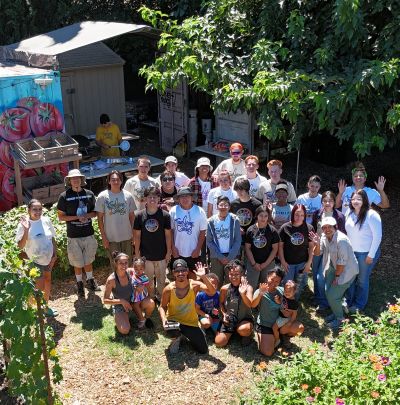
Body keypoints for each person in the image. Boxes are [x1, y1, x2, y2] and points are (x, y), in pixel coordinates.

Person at [310, 217, 359, 330]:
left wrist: (337, 277)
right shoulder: (323, 237)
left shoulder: (341, 240)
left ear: (335, 227)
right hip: (333, 267)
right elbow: (318, 254)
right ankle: (337, 310)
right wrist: (316, 244)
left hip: (346, 270)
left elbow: (342, 261)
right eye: (324, 227)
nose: (327, 229)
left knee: (332, 296)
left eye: (330, 227)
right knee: (328, 291)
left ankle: (340, 319)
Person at [57, 169, 100, 297]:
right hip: (73, 235)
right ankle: (79, 284)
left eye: (78, 178)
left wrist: (87, 215)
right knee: (77, 262)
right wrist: (76, 218)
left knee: (88, 260)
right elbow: (61, 217)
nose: (75, 180)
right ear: (69, 181)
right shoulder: (64, 196)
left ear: (81, 180)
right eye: (73, 178)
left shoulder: (89, 194)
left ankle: (91, 280)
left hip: (88, 233)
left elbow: (95, 213)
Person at [159, 259, 216, 354]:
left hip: (190, 323)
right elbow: (162, 306)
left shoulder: (194, 285)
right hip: (174, 321)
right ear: (173, 273)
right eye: (177, 271)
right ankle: (176, 338)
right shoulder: (168, 289)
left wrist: (203, 277)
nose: (180, 273)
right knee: (171, 330)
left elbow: (212, 292)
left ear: (187, 271)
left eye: (183, 270)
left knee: (203, 350)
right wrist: (164, 320)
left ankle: (185, 335)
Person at [16, 199, 58, 317]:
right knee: (38, 287)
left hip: (48, 259)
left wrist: (54, 255)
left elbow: (52, 238)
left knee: (48, 281)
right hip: (34, 261)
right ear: (29, 210)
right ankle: (35, 311)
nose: (38, 212)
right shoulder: (24, 224)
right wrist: (25, 230)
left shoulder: (46, 220)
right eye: (35, 209)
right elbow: (20, 246)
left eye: (40, 209)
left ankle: (45, 307)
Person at [252, 267, 304, 357]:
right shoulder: (260, 290)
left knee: (299, 328)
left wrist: (289, 312)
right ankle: (272, 338)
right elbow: (253, 305)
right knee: (268, 352)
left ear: (280, 282)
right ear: (267, 277)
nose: (273, 283)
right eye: (272, 279)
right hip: (265, 325)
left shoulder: (282, 290)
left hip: (280, 323)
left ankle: (284, 337)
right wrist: (260, 294)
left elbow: (292, 300)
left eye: (277, 281)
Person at [344, 189, 382, 313]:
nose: (355, 201)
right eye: (353, 199)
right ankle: (348, 301)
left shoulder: (371, 215)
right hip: (351, 252)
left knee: (362, 279)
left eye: (359, 199)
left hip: (366, 253)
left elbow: (378, 236)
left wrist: (371, 255)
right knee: (350, 278)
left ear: (365, 200)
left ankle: (359, 305)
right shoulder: (349, 212)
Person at [133, 187, 172, 301]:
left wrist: (168, 251)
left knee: (161, 279)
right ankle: (150, 297)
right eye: (149, 197)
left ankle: (161, 297)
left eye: (155, 197)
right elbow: (137, 236)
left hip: (161, 253)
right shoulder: (139, 215)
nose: (152, 199)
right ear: (145, 199)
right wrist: (137, 253)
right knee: (148, 279)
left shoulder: (165, 215)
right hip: (146, 255)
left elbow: (168, 235)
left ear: (159, 198)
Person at [311, 191, 346, 312]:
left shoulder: (339, 216)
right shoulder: (317, 213)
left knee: (322, 276)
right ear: (322, 202)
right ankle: (318, 297)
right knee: (315, 274)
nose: (327, 203)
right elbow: (313, 230)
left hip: (331, 249)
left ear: (334, 202)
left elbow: (342, 234)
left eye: (330, 201)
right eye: (325, 201)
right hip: (318, 247)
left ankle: (324, 301)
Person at [95, 170, 135, 266]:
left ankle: (127, 280)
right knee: (115, 264)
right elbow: (99, 219)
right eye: (113, 180)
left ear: (121, 181)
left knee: (127, 263)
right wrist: (103, 237)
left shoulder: (128, 196)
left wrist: (134, 234)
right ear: (109, 181)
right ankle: (116, 281)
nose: (116, 182)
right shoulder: (102, 197)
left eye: (118, 179)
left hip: (127, 236)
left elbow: (132, 217)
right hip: (111, 238)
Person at [278, 204, 314, 300]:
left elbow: (311, 247)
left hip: (302, 263)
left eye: (302, 215)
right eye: (297, 214)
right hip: (288, 263)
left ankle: (294, 304)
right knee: (287, 285)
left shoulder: (309, 228)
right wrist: (282, 261)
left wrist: (309, 263)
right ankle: (285, 304)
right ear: (293, 214)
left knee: (298, 286)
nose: (299, 217)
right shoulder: (285, 228)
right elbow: (280, 246)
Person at [215, 261, 254, 347]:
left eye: (236, 274)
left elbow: (250, 304)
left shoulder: (248, 288)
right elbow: (221, 303)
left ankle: (246, 334)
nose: (233, 277)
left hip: (244, 319)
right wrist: (224, 314)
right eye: (231, 274)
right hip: (230, 320)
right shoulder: (224, 288)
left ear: (242, 274)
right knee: (219, 342)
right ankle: (233, 331)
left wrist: (242, 293)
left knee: (244, 329)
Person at [169, 187, 208, 273]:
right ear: (178, 199)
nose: (185, 199)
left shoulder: (200, 211)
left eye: (187, 196)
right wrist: (173, 248)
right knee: (178, 277)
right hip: (178, 251)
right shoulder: (173, 211)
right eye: (182, 196)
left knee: (195, 279)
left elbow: (202, 232)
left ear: (191, 197)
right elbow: (170, 231)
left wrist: (198, 249)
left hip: (194, 251)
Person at [207, 196, 241, 286]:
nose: (223, 207)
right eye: (221, 205)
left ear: (229, 207)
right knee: (216, 281)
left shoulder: (235, 219)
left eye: (226, 205)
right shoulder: (210, 221)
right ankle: (218, 300)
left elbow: (238, 240)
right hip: (216, 256)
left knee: (232, 282)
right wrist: (220, 256)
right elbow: (209, 241)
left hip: (232, 256)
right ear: (217, 206)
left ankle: (231, 300)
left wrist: (229, 257)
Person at [245, 206, 280, 290]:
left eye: (266, 216)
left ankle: (262, 303)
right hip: (253, 263)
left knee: (266, 286)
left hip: (268, 263)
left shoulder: (273, 231)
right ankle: (251, 302)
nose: (263, 218)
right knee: (251, 286)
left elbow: (275, 249)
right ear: (256, 216)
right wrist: (254, 263)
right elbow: (247, 248)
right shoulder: (250, 230)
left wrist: (265, 264)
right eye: (261, 215)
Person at [103, 252, 134, 334]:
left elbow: (143, 274)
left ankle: (132, 316)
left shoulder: (131, 272)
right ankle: (123, 316)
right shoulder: (111, 280)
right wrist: (121, 301)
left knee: (150, 304)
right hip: (120, 306)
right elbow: (105, 300)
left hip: (134, 302)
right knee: (125, 330)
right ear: (115, 263)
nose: (124, 266)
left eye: (126, 263)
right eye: (121, 263)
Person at [230, 178, 262, 246]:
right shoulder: (233, 204)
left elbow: (259, 221)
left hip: (251, 238)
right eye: (237, 190)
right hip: (236, 237)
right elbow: (230, 219)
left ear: (247, 189)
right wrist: (236, 228)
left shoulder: (257, 204)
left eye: (241, 190)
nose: (239, 192)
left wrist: (251, 231)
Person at [129, 257, 155, 329]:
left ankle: (142, 319)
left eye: (141, 269)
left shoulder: (144, 277)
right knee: (135, 305)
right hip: (134, 294)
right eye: (136, 269)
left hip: (139, 295)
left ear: (144, 269)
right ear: (133, 268)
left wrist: (149, 295)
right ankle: (139, 316)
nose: (138, 271)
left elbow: (148, 286)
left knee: (135, 305)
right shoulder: (133, 274)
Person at [272, 280, 299, 348]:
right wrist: (277, 300)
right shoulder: (283, 296)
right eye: (285, 291)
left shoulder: (294, 303)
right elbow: (280, 303)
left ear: (294, 291)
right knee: (276, 327)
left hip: (285, 318)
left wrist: (290, 322)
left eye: (289, 291)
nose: (287, 293)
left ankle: (277, 340)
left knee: (274, 328)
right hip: (281, 316)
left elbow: (294, 314)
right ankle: (280, 338)